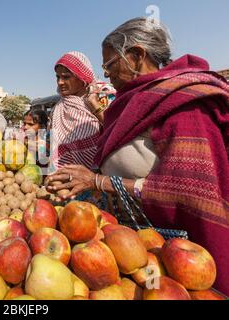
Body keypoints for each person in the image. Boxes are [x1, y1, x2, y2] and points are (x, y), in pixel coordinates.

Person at [46, 17, 229, 294]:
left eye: (110, 64)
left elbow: (191, 191)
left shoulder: (183, 102)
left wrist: (98, 182)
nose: (105, 74)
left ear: (137, 55)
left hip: (175, 255)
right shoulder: (134, 100)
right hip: (134, 243)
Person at [50, 51, 110, 172]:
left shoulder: (103, 96)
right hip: (67, 175)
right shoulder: (58, 108)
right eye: (58, 77)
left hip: (101, 175)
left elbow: (117, 129)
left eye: (66, 77)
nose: (60, 82)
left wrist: (94, 105)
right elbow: (51, 144)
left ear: (81, 76)